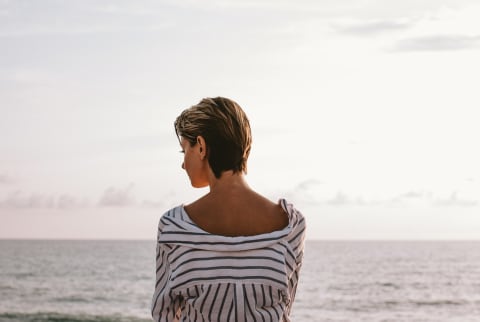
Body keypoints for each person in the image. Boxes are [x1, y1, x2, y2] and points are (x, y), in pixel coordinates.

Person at [151, 97, 306, 322]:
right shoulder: (291, 224)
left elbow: (164, 316)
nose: (183, 163)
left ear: (201, 147)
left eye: (184, 149)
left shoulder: (174, 227)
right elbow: (283, 310)